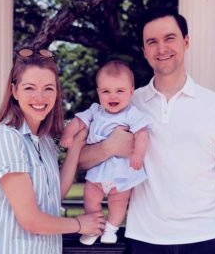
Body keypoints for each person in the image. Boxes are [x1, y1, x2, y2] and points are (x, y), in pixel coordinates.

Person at [78, 8, 215, 254]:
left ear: (186, 42)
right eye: (152, 42)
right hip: (144, 239)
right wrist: (109, 147)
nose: (162, 48)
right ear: (145, 51)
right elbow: (81, 161)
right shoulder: (126, 103)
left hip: (208, 237)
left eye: (169, 38)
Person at [0, 48, 105, 254]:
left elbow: (54, 194)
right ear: (14, 91)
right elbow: (32, 220)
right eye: (29, 88)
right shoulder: (6, 138)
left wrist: (77, 145)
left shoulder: (44, 141)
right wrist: (80, 224)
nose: (39, 97)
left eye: (48, 88)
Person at [60, 61, 149, 245]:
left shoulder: (132, 114)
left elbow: (142, 134)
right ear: (98, 92)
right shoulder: (95, 110)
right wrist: (68, 135)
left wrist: (138, 154)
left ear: (131, 91)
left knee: (119, 203)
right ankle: (94, 228)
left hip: (121, 174)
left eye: (120, 91)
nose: (112, 96)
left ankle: (111, 229)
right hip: (97, 173)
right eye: (106, 91)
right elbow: (78, 122)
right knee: (90, 199)